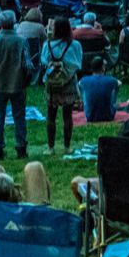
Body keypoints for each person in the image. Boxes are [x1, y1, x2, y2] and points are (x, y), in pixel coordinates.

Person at [0, 9, 32, 159]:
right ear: (14, 22)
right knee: (19, 117)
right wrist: (26, 81)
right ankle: (21, 147)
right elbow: (28, 66)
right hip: (17, 84)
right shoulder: (21, 41)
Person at [40, 18, 83, 155]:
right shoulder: (75, 45)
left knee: (51, 115)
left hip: (52, 84)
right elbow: (78, 64)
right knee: (67, 115)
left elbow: (43, 61)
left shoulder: (47, 45)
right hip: (68, 83)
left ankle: (50, 147)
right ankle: (67, 147)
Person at [79, 57, 120, 123]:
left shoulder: (84, 80)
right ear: (103, 67)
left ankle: (87, 105)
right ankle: (111, 106)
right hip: (109, 116)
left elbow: (79, 85)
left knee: (84, 91)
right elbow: (119, 83)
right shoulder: (111, 80)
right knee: (115, 89)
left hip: (90, 117)